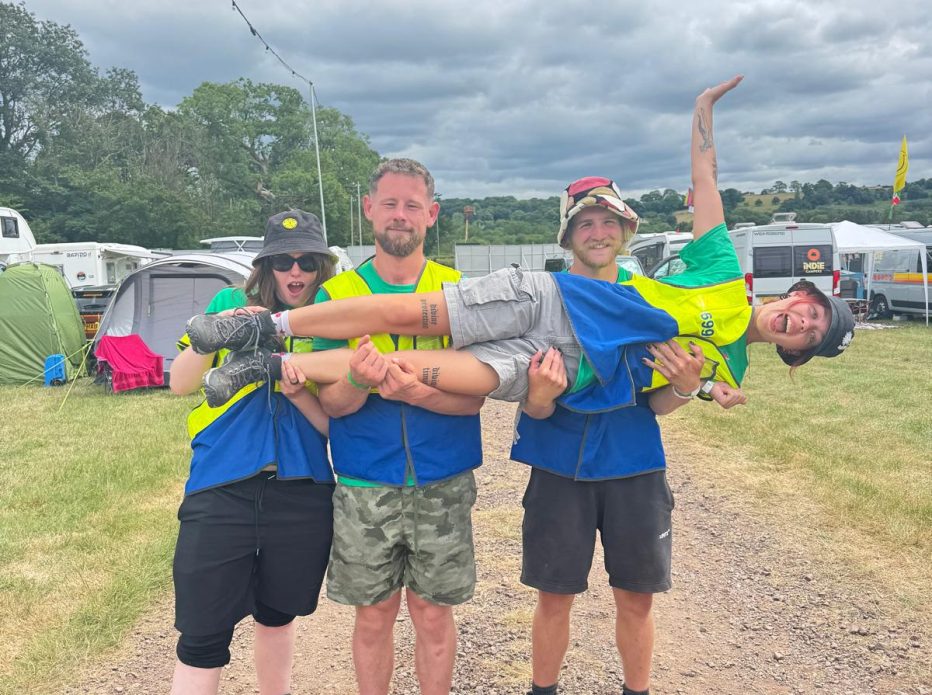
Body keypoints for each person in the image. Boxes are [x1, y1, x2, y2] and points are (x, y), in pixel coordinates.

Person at [184, 75, 855, 414]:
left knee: (420, 367)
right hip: (551, 299)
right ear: (796, 294)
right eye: (810, 310)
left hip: (565, 363)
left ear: (797, 355)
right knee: (403, 314)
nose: (799, 322)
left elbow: (656, 400)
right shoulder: (723, 269)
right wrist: (704, 110)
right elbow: (705, 180)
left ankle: (265, 367)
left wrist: (692, 392)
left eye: (808, 335)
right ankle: (261, 323)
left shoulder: (728, 373)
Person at [513, 176, 744, 695]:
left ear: (626, 231)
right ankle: (542, 689)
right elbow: (530, 403)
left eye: (609, 223)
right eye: (586, 224)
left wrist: (687, 388)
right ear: (568, 238)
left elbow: (655, 403)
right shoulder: (547, 301)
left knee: (637, 599)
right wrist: (543, 395)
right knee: (554, 596)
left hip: (635, 468)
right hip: (559, 467)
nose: (598, 233)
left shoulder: (648, 304)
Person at [303, 159, 484, 695]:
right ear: (368, 211)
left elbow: (475, 400)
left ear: (431, 214)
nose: (400, 216)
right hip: (364, 483)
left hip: (444, 480)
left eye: (411, 206)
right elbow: (334, 408)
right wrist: (357, 381)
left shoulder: (461, 293)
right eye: (389, 204)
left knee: (432, 616)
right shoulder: (335, 299)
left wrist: (417, 392)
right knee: (374, 617)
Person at [168, 210, 336, 695]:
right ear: (266, 265)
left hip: (301, 491)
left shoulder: (328, 318)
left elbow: (335, 425)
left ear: (322, 266)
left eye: (307, 261)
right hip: (221, 487)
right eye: (283, 261)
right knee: (202, 632)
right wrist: (217, 329)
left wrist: (295, 385)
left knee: (278, 615)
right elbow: (180, 383)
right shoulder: (227, 302)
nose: (296, 272)